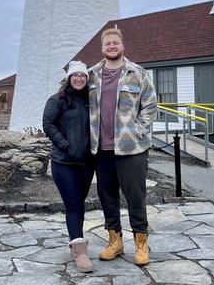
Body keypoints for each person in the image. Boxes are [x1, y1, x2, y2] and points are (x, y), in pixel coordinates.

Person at [89, 28, 157, 266]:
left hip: (132, 149)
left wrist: (138, 129)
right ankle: (115, 241)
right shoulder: (91, 75)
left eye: (115, 42)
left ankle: (141, 243)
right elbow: (71, 97)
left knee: (135, 197)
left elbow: (150, 106)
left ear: (122, 46)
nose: (111, 46)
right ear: (102, 48)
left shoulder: (138, 73)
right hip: (102, 150)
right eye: (107, 43)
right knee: (107, 197)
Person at [42, 61, 95, 273]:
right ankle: (81, 252)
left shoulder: (91, 101)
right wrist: (66, 145)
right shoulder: (57, 100)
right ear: (69, 78)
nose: (80, 78)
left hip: (86, 163)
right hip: (63, 163)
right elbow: (48, 125)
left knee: (78, 204)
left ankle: (76, 240)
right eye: (76, 75)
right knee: (73, 205)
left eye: (83, 75)